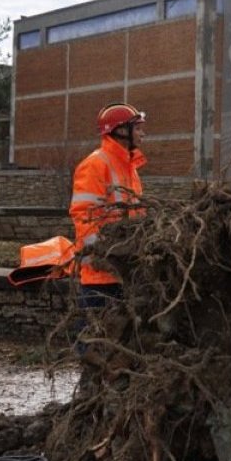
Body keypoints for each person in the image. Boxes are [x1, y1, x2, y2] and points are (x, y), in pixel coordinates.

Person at [70, 102, 147, 317]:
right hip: (101, 277)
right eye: (138, 128)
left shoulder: (130, 168)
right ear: (122, 130)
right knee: (94, 343)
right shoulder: (95, 165)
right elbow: (85, 218)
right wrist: (105, 257)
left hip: (125, 272)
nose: (143, 133)